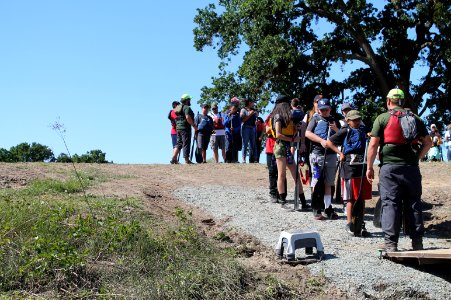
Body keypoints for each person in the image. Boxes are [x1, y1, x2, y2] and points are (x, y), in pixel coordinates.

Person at [366, 88, 431, 252]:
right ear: (402, 102)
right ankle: (417, 243)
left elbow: (373, 145)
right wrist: (416, 158)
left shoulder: (382, 118)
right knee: (414, 203)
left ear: (389, 101)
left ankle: (391, 244)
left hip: (389, 169)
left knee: (391, 204)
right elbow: (428, 142)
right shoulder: (415, 118)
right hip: (411, 169)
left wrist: (369, 167)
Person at [327, 110, 372, 235]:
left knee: (361, 198)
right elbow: (329, 142)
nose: (357, 122)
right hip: (348, 168)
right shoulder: (344, 131)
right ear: (348, 121)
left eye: (358, 119)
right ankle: (349, 224)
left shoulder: (363, 131)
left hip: (361, 168)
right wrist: (340, 153)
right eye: (354, 120)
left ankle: (360, 223)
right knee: (350, 198)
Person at [305, 98, 341, 220]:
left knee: (329, 183)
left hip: (331, 155)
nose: (323, 112)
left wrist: (336, 129)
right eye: (321, 110)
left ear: (330, 109)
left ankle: (328, 207)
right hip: (317, 154)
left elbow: (342, 135)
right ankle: (316, 207)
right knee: (316, 181)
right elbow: (307, 133)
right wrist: (321, 141)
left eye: (326, 109)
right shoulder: (315, 119)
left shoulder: (334, 120)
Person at [272, 95, 308, 209]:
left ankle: (303, 201)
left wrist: (296, 131)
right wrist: (293, 139)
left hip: (287, 146)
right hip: (281, 146)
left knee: (295, 174)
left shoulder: (289, 118)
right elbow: (278, 134)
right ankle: (283, 201)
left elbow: (291, 133)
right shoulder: (278, 116)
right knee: (281, 174)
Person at [171, 94, 198, 164]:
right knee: (186, 143)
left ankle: (174, 158)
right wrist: (194, 125)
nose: (190, 101)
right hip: (185, 128)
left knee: (179, 143)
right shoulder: (186, 107)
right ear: (186, 100)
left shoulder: (178, 107)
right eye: (189, 99)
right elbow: (187, 117)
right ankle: (187, 160)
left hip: (178, 128)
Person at [240, 99, 257, 163]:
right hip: (245, 128)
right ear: (249, 102)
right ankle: (244, 159)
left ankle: (255, 159)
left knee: (253, 144)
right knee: (245, 144)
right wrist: (250, 114)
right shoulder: (243, 110)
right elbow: (243, 120)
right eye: (253, 102)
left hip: (252, 128)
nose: (253, 103)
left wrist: (256, 122)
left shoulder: (253, 110)